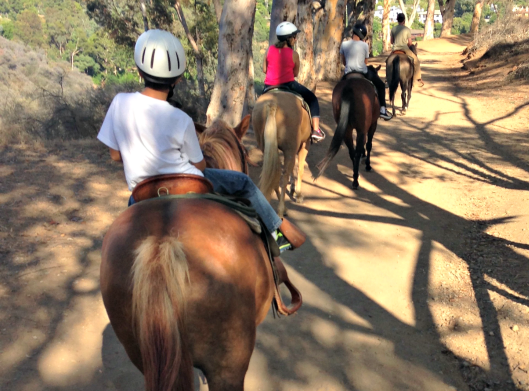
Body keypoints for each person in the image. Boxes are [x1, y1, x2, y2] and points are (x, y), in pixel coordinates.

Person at [97, 29, 305, 253]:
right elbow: (200, 166)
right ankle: (278, 234)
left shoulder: (119, 103)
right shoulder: (181, 119)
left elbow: (115, 155)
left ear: (139, 70)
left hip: (141, 191)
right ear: (177, 79)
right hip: (187, 186)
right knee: (243, 183)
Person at [262, 22, 325, 142]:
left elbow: (264, 69)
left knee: (259, 105)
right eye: (294, 37)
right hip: (288, 85)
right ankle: (316, 130)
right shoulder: (294, 54)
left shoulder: (269, 50)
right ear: (289, 38)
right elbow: (295, 74)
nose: (295, 39)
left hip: (269, 86)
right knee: (312, 99)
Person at [339, 23, 391, 120]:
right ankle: (383, 110)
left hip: (348, 73)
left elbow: (344, 62)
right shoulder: (364, 45)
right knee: (380, 85)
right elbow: (365, 62)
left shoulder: (344, 44)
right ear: (362, 36)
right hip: (363, 72)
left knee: (338, 88)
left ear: (353, 32)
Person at [390, 13, 425, 89]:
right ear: (404, 20)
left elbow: (391, 42)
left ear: (397, 20)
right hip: (404, 49)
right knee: (416, 61)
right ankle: (416, 80)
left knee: (388, 62)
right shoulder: (406, 29)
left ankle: (388, 79)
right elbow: (409, 43)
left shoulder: (393, 29)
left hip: (395, 49)